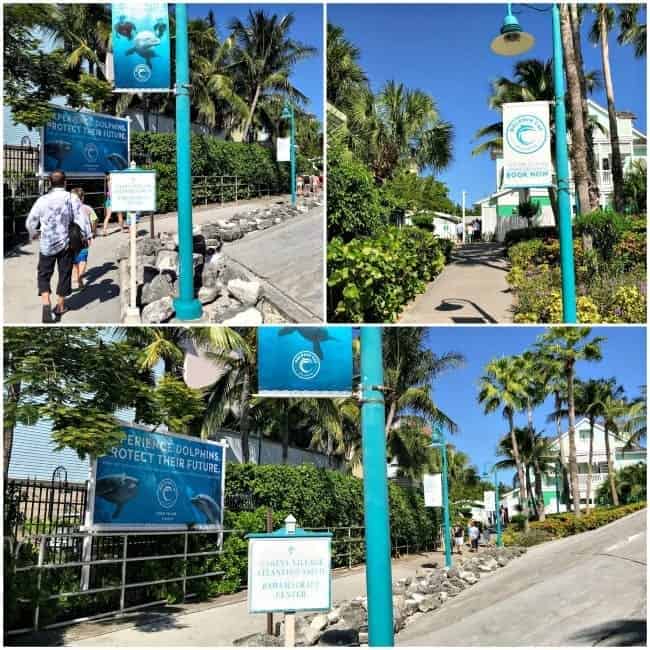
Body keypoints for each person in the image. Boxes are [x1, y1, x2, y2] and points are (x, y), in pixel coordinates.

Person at [26, 170, 91, 322]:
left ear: (50, 183)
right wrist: (87, 236)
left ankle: (46, 303)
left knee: (43, 274)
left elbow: (31, 221)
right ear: (65, 182)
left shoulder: (42, 200)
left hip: (46, 244)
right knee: (65, 273)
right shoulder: (71, 198)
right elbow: (82, 219)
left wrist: (32, 233)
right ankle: (60, 306)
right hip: (65, 244)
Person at [70, 188, 95, 290]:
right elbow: (94, 219)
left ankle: (77, 276)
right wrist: (92, 233)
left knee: (74, 258)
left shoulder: (67, 208)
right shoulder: (87, 208)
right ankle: (80, 278)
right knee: (83, 258)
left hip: (71, 237)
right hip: (83, 237)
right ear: (83, 197)